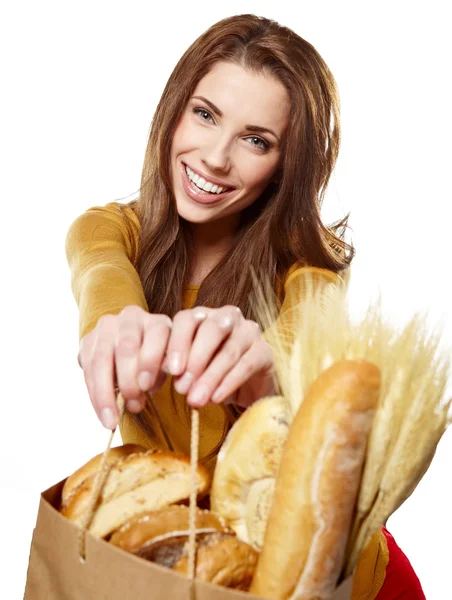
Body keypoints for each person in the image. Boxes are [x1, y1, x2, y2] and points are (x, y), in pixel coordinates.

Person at [65, 13, 425, 600]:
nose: (214, 157)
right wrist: (115, 321)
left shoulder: (311, 274)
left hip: (324, 577)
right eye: (204, 115)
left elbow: (300, 347)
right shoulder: (110, 232)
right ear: (174, 110)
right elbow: (100, 272)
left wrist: (267, 377)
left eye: (256, 140)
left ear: (286, 165)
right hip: (179, 568)